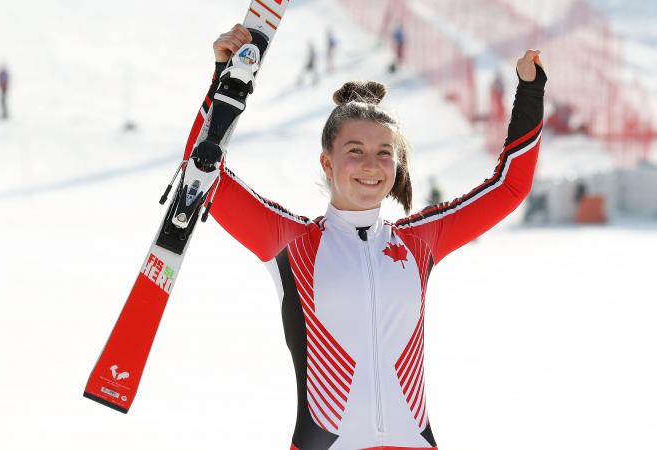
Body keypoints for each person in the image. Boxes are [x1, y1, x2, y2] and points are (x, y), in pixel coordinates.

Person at [205, 24, 545, 450]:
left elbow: (509, 187)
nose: (372, 164)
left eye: (384, 152)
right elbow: (202, 174)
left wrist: (530, 93)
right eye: (355, 151)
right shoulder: (292, 244)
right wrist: (226, 80)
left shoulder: (419, 242)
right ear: (327, 163)